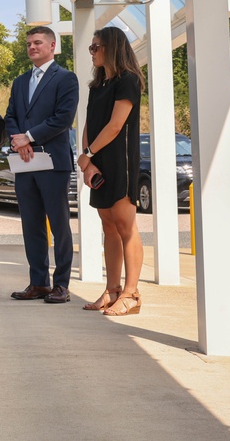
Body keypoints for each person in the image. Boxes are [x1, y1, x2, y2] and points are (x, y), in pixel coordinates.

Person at [5, 26, 79, 304]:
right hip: (25, 162)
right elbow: (10, 115)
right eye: (28, 44)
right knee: (31, 225)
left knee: (59, 224)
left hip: (53, 163)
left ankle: (61, 285)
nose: (32, 47)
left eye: (37, 42)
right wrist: (18, 141)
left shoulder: (66, 78)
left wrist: (30, 136)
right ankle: (38, 283)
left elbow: (63, 118)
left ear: (52, 45)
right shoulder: (20, 81)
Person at [78, 27, 144, 316]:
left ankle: (132, 294)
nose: (92, 52)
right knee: (108, 227)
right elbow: (90, 124)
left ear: (111, 48)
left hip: (121, 160)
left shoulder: (128, 81)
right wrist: (86, 159)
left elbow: (116, 126)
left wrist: (89, 153)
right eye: (91, 47)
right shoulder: (98, 85)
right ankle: (113, 290)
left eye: (96, 47)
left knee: (125, 226)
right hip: (98, 161)